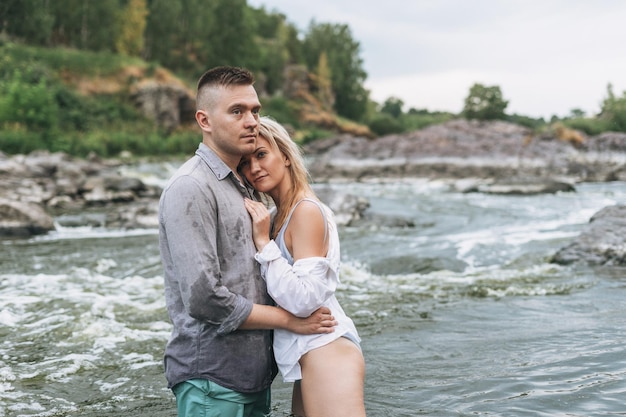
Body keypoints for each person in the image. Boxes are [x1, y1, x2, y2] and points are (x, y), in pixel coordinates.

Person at [158, 66, 338, 417]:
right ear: (205, 121)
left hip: (251, 378)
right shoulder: (191, 188)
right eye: (237, 111)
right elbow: (203, 298)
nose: (252, 121)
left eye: (254, 110)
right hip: (212, 379)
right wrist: (290, 320)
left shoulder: (241, 185)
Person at [239, 116, 366, 417]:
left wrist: (264, 244)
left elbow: (304, 300)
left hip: (328, 350)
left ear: (284, 155)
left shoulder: (305, 211)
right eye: (244, 162)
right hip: (312, 354)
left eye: (261, 154)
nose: (254, 168)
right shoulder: (280, 214)